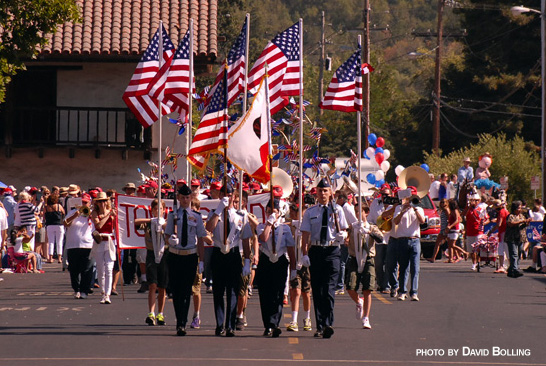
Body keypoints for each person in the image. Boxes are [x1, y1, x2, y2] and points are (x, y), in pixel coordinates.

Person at [301, 178, 349, 339]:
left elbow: (344, 231)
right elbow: (305, 235)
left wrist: (344, 235)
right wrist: (305, 254)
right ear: (317, 192)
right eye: (320, 191)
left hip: (332, 250)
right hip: (316, 250)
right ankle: (320, 325)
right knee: (318, 290)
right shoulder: (310, 212)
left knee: (329, 289)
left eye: (326, 191)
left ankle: (328, 323)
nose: (323, 194)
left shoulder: (337, 211)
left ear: (331, 193)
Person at [206, 185, 251, 337]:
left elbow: (245, 239)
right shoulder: (214, 213)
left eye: (230, 194)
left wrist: (247, 261)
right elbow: (209, 228)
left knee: (232, 291)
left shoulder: (241, 215)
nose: (228, 197)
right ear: (220, 195)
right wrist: (219, 209)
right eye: (224, 194)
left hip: (233, 254)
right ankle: (220, 325)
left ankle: (230, 325)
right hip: (218, 254)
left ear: (234, 196)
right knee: (218, 291)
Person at [164, 184, 207, 336]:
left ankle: (183, 321)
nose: (184, 200)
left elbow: (201, 239)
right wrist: (170, 240)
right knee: (176, 290)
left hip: (190, 256)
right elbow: (167, 235)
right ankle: (179, 320)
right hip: (175, 256)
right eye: (182, 198)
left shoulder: (196, 216)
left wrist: (201, 261)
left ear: (191, 198)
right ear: (178, 198)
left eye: (187, 198)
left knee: (186, 290)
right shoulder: (172, 216)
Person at [254, 198, 297, 337]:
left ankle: (274, 324)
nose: (270, 214)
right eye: (268, 212)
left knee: (278, 294)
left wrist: (294, 269)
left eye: (273, 212)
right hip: (266, 261)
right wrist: (269, 222)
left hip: (280, 261)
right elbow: (264, 238)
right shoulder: (261, 226)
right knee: (265, 294)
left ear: (279, 213)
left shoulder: (285, 229)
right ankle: (267, 324)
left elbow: (290, 249)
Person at [346, 204, 383, 329]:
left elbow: (380, 239)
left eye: (360, 211)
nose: (358, 214)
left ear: (366, 212)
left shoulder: (372, 227)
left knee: (367, 289)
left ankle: (366, 318)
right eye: (356, 212)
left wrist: (369, 232)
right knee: (350, 286)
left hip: (368, 259)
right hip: (354, 259)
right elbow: (345, 236)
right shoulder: (352, 227)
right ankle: (358, 301)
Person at [135, 199, 168, 326]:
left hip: (164, 254)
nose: (157, 211)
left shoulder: (166, 223)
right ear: (152, 210)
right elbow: (136, 223)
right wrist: (152, 221)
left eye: (160, 209)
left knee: (162, 286)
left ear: (164, 210)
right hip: (151, 254)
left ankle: (161, 313)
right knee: (152, 285)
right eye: (155, 209)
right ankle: (151, 313)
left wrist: (162, 224)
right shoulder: (148, 224)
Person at [391, 187, 425, 301]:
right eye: (409, 197)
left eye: (413, 197)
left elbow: (422, 221)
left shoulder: (419, 209)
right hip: (402, 240)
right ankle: (402, 291)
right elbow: (395, 221)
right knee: (404, 267)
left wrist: (414, 209)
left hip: (415, 240)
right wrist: (403, 211)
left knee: (415, 268)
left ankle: (414, 292)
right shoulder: (399, 208)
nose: (410, 199)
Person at [286, 203, 312, 332]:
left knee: (306, 293)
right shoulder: (291, 227)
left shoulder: (309, 227)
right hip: (295, 262)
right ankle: (294, 320)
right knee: (295, 291)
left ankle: (307, 317)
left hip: (306, 263)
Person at [64, 193, 94, 299]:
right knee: (74, 270)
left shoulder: (92, 214)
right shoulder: (72, 212)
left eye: (86, 202)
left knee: (87, 269)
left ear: (90, 203)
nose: (84, 204)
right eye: (82, 202)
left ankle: (84, 290)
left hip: (88, 245)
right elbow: (65, 224)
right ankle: (76, 289)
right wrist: (74, 216)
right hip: (73, 245)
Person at [91, 192, 117, 304]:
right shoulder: (95, 213)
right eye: (100, 201)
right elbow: (98, 225)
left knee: (109, 269)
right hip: (99, 242)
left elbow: (117, 227)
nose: (102, 203)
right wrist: (108, 215)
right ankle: (103, 293)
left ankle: (108, 294)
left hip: (110, 241)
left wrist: (115, 217)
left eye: (104, 201)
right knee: (101, 269)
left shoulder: (111, 213)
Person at [505, 201, 531, 278]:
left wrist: (527, 222)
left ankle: (511, 269)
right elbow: (511, 223)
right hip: (511, 237)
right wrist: (521, 221)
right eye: (519, 208)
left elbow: (524, 224)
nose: (520, 209)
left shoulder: (522, 216)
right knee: (514, 254)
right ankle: (515, 269)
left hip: (520, 238)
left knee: (519, 253)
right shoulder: (511, 216)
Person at [464, 193, 489, 271]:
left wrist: (484, 223)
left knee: (477, 248)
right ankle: (474, 263)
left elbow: (487, 218)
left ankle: (478, 262)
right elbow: (463, 215)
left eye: (476, 200)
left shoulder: (481, 209)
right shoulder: (468, 209)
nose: (474, 202)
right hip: (470, 231)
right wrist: (469, 207)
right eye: (472, 200)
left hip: (478, 231)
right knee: (471, 249)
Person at [45, 193, 65, 263]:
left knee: (51, 242)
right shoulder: (59, 206)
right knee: (59, 242)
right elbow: (63, 212)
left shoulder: (46, 207)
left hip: (49, 225)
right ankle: (59, 258)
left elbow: (44, 217)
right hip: (59, 225)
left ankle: (50, 258)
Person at [427, 198, 449, 263]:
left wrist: (447, 227)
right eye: (442, 202)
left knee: (440, 243)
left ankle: (433, 258)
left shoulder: (446, 210)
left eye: (444, 202)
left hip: (445, 229)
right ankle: (433, 257)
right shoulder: (442, 210)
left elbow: (449, 218)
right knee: (440, 243)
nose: (443, 203)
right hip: (442, 228)